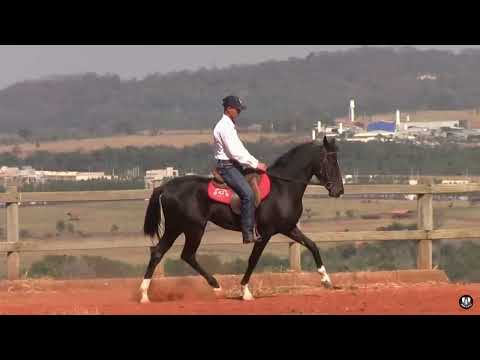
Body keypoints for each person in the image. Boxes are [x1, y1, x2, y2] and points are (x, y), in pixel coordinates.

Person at [213, 95, 268, 244]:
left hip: (235, 165)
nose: (239, 112)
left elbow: (240, 149)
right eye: (237, 110)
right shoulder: (224, 127)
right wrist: (256, 164)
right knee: (248, 194)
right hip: (227, 167)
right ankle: (247, 232)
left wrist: (254, 163)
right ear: (229, 109)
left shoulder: (230, 125)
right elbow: (234, 152)